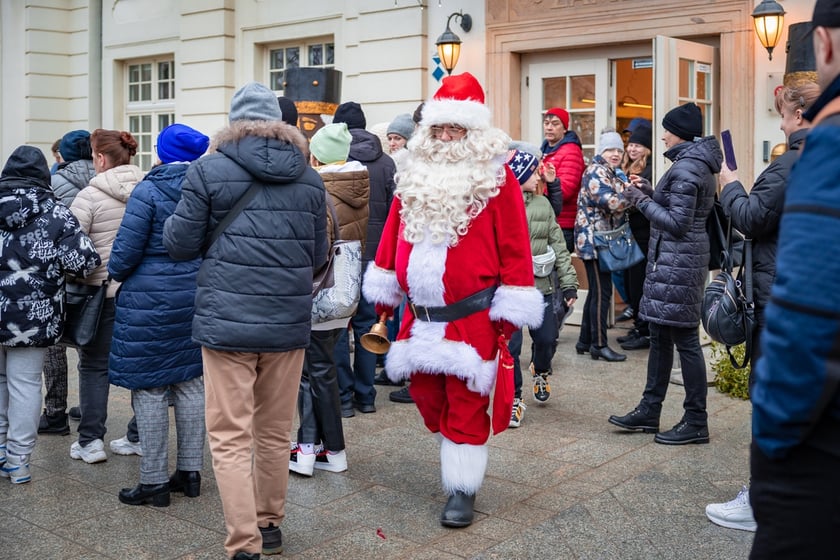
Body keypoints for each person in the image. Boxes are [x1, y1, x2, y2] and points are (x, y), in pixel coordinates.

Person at [363, 72, 543, 528]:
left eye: (455, 130)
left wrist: (511, 309)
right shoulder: (413, 174)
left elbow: (517, 247)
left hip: (472, 314)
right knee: (425, 394)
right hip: (418, 316)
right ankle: (455, 450)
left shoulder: (496, 181)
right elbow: (391, 238)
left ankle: (462, 489)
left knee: (465, 399)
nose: (445, 138)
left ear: (474, 134)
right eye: (439, 129)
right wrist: (384, 294)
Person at [163, 81, 328, 560]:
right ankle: (269, 524)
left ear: (234, 124)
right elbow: (318, 255)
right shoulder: (310, 177)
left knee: (229, 434)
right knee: (276, 431)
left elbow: (179, 243)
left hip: (226, 322)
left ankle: (243, 545)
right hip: (287, 323)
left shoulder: (208, 169)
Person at [703, 79, 820, 533]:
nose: (782, 122)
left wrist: (731, 184)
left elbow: (751, 218)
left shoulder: (792, 164)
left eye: (785, 114)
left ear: (798, 116)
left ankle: (765, 501)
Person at [749, 2, 840, 555]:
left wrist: (772, 439)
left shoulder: (826, 146)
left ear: (824, 45)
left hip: (821, 448)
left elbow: (809, 312)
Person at [107, 123, 210, 507]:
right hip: (196, 295)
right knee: (190, 382)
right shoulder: (207, 191)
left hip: (148, 302)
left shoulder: (147, 190)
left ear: (162, 153)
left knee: (149, 388)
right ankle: (190, 473)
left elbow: (123, 255)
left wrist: (117, 272)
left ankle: (152, 482)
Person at [608, 103, 722, 445]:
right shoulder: (690, 165)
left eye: (667, 130)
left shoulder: (688, 168)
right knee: (659, 336)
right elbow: (675, 208)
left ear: (679, 134)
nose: (662, 135)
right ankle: (649, 410)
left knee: (685, 341)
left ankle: (696, 421)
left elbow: (677, 223)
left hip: (679, 264)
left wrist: (638, 200)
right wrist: (649, 192)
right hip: (673, 263)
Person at [0, 146, 100, 484]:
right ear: (44, 176)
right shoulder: (55, 213)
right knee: (25, 383)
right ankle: (18, 462)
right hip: (33, 315)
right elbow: (84, 262)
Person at [290, 122, 369, 477]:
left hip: (319, 292)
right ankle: (332, 451)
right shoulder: (359, 185)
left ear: (317, 156)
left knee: (310, 372)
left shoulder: (320, 191)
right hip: (344, 291)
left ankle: (307, 450)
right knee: (323, 372)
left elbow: (315, 250)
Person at [68, 129, 145, 464]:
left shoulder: (89, 196)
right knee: (142, 368)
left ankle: (91, 442)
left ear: (99, 157)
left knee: (94, 367)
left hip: (102, 294)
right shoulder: (147, 189)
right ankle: (139, 435)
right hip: (142, 294)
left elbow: (71, 249)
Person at [332, 101, 396, 416]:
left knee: (339, 325)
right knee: (368, 325)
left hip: (342, 255)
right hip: (376, 257)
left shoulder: (335, 161)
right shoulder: (386, 163)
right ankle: (366, 395)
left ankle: (343, 398)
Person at [506, 148, 578, 427]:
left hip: (542, 287)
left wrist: (570, 284)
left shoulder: (543, 205)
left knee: (547, 339)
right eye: (534, 171)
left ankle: (542, 370)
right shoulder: (498, 205)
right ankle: (513, 399)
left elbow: (559, 246)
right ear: (519, 174)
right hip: (510, 291)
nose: (539, 175)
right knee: (511, 348)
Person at [38, 129, 97, 436]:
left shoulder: (53, 183)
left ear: (64, 155)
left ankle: (56, 412)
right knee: (90, 344)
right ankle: (88, 407)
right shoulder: (104, 178)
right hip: (98, 273)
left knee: (54, 346)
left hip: (61, 272)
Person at [573, 129, 632, 363]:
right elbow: (612, 202)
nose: (616, 154)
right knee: (602, 293)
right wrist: (636, 194)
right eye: (610, 149)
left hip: (598, 239)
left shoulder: (610, 171)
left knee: (597, 291)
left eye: (619, 149)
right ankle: (599, 344)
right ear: (601, 151)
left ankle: (584, 341)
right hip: (594, 240)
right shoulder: (596, 171)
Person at [617, 121, 653, 351]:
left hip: (643, 233)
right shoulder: (627, 169)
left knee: (640, 282)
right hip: (630, 233)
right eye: (631, 145)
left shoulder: (648, 171)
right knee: (631, 282)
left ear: (647, 149)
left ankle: (644, 331)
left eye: (638, 145)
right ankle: (638, 326)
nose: (632, 149)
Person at [540, 107, 585, 252]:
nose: (549, 127)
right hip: (548, 221)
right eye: (546, 123)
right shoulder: (544, 150)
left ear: (565, 128)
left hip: (563, 224)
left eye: (555, 123)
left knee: (558, 271)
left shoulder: (571, 151)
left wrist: (536, 189)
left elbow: (565, 190)